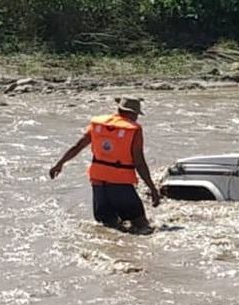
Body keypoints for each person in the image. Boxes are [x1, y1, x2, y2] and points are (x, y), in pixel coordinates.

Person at [49, 96, 161, 233]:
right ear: (133, 113)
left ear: (119, 109)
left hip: (98, 182)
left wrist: (60, 164)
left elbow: (77, 146)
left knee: (109, 228)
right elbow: (139, 162)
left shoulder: (98, 126)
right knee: (142, 227)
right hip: (121, 182)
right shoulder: (133, 130)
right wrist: (153, 189)